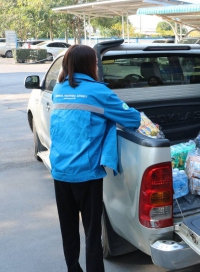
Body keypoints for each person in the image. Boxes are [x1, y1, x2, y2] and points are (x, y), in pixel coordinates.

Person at [50, 45, 141, 272]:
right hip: (86, 173)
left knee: (68, 228)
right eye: (96, 63)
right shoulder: (99, 93)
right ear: (90, 65)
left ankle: (73, 268)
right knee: (92, 231)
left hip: (60, 170)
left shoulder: (59, 89)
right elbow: (132, 119)